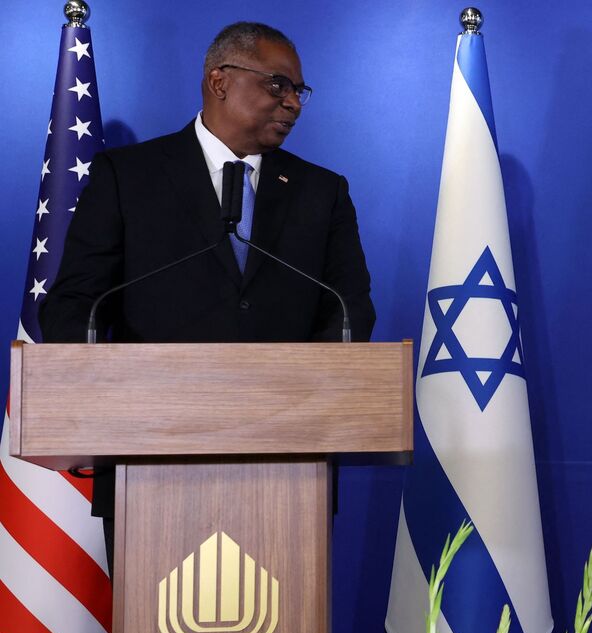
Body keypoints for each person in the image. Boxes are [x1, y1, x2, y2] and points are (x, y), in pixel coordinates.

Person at [39, 21, 376, 564]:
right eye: (277, 85)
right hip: (147, 464)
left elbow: (349, 310)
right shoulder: (129, 175)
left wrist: (303, 402)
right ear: (220, 81)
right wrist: (104, 387)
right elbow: (76, 302)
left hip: (286, 468)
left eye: (298, 91)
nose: (292, 103)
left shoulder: (322, 192)